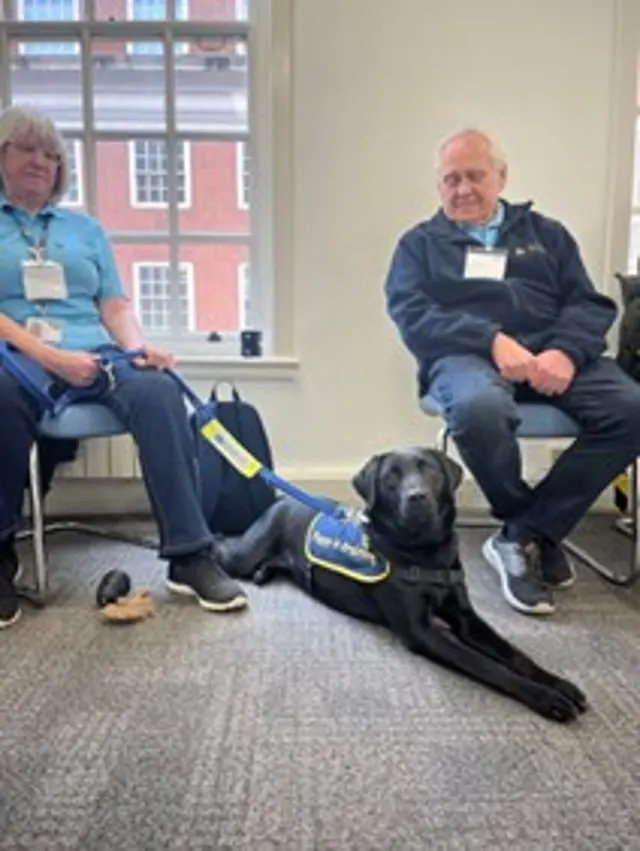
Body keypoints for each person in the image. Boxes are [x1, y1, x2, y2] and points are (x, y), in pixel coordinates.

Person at [0, 104, 248, 628]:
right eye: (25, 149)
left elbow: (113, 303)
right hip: (17, 355)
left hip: (96, 351)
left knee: (158, 391)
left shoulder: (84, 229)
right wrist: (49, 357)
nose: (40, 162)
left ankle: (189, 553)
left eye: (51, 155)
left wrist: (137, 349)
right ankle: (1, 553)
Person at [384, 127, 640, 616]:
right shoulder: (419, 245)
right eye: (450, 179)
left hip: (552, 354)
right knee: (479, 409)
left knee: (632, 410)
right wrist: (491, 340)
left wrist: (565, 351)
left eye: (475, 175)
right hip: (465, 357)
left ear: (501, 176)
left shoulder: (548, 235)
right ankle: (534, 530)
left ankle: (525, 534)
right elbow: (410, 313)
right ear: (438, 187)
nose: (462, 189)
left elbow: (588, 303)